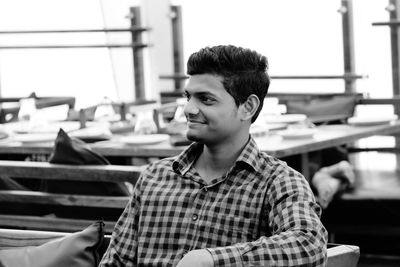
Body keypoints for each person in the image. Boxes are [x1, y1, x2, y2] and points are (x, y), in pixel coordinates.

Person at [99, 45, 327, 266]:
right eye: (188, 96)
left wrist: (210, 260)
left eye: (206, 99)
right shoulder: (154, 177)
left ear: (247, 107)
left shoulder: (278, 181)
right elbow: (115, 262)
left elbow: (309, 245)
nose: (188, 109)